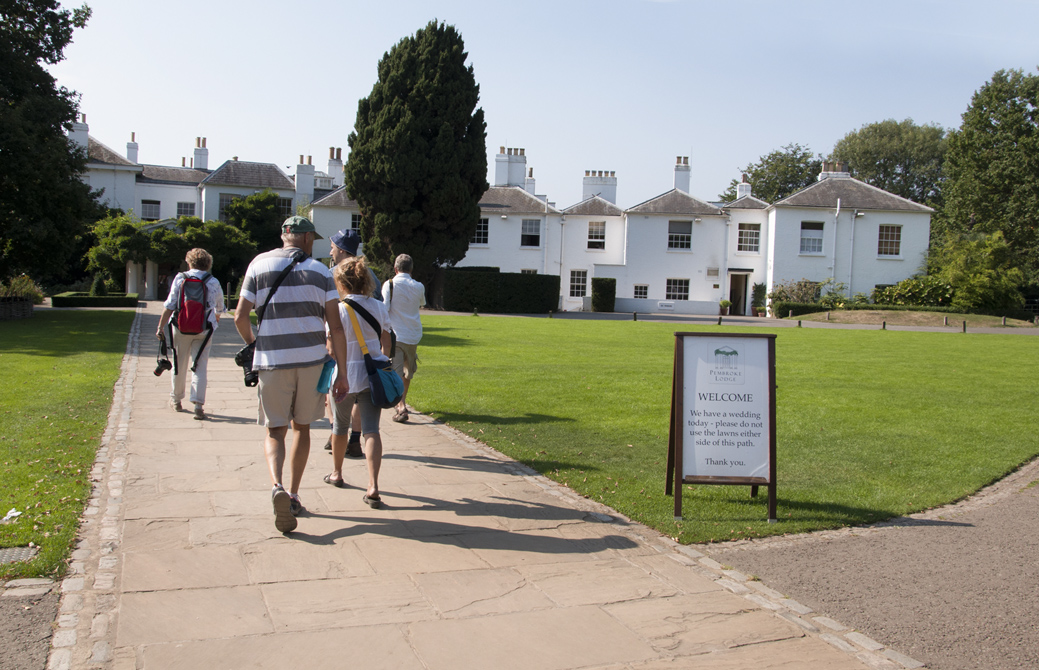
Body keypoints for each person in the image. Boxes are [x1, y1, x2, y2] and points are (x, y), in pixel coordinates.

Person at [234, 216, 348, 534]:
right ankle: (294, 495)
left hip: (272, 361)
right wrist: (342, 371)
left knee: (275, 430)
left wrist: (255, 344)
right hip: (311, 362)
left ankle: (276, 486)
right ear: (307, 238)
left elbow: (241, 316)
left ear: (284, 236)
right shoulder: (321, 271)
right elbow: (335, 326)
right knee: (302, 428)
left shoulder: (258, 264)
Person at [324, 256, 391, 509]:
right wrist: (381, 359)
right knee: (371, 430)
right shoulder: (379, 307)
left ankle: (337, 473)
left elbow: (330, 348)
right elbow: (386, 342)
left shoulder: (338, 309)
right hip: (372, 375)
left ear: (341, 282)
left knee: (340, 427)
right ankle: (373, 486)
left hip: (344, 374)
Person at [322, 228, 381, 458]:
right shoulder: (371, 276)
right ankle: (355, 440)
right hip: (367, 349)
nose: (331, 251)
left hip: (336, 344)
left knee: (334, 392)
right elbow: (379, 308)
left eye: (333, 247)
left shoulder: (329, 274)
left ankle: (336, 436)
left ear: (342, 250)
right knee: (361, 397)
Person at [156, 248, 224, 420]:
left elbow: (170, 305)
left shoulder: (180, 278)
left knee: (179, 363)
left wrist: (160, 327)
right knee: (200, 366)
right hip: (204, 329)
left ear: (189, 262)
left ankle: (177, 400)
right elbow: (219, 308)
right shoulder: (213, 281)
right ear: (208, 263)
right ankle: (198, 405)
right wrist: (214, 321)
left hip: (180, 327)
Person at [382, 253, 425, 423]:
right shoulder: (419, 286)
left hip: (396, 335)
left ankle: (400, 406)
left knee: (397, 372)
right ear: (411, 269)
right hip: (413, 334)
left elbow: (384, 308)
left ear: (395, 268)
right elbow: (422, 303)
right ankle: (402, 402)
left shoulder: (390, 284)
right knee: (408, 372)